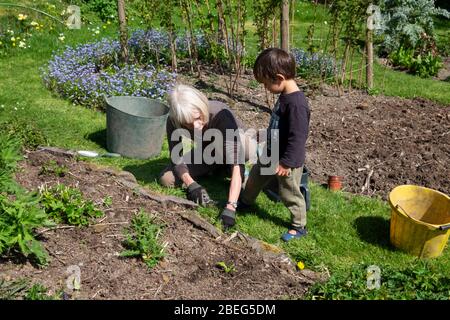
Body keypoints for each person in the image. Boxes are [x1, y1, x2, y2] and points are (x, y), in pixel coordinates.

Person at [238, 48, 311, 242]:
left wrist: (286, 163)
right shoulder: (285, 96)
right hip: (271, 152)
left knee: (289, 192)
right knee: (255, 176)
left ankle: (299, 225)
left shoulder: (297, 104)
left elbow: (298, 138)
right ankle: (245, 201)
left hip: (287, 160)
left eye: (266, 83)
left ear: (279, 78)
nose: (265, 88)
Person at [159, 84, 256, 227]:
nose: (197, 126)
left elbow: (236, 161)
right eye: (188, 125)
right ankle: (219, 169)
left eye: (198, 118)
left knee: (241, 147)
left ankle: (241, 174)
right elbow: (176, 157)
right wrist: (191, 185)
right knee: (166, 179)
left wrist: (230, 207)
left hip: (238, 147)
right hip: (208, 151)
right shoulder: (174, 120)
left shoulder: (220, 114)